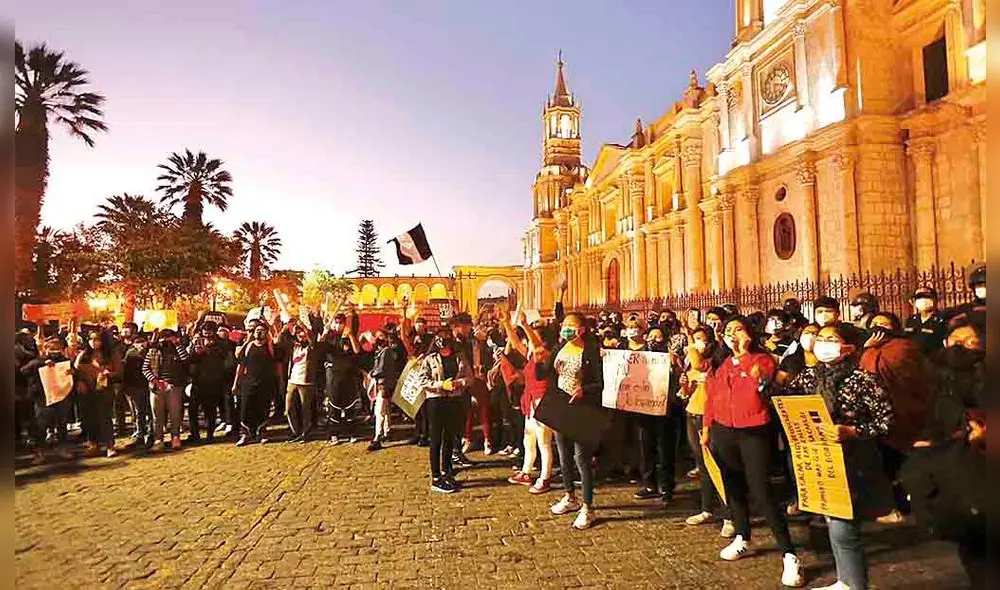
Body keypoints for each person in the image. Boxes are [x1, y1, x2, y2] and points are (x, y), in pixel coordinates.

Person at [790, 323, 895, 590]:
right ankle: (844, 579)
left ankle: (854, 583)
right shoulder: (809, 376)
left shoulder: (863, 380)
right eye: (820, 338)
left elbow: (886, 421)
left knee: (843, 525)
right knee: (831, 519)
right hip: (820, 457)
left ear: (848, 347)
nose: (822, 343)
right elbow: (788, 400)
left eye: (831, 339)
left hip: (854, 458)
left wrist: (853, 431)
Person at [701, 316, 803, 587]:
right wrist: (707, 428)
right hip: (724, 431)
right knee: (732, 486)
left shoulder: (762, 359)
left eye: (739, 329)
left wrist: (744, 353)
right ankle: (742, 536)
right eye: (729, 330)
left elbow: (762, 382)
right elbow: (712, 397)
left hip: (753, 431)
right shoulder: (720, 364)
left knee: (761, 490)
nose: (733, 334)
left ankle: (789, 553)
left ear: (749, 334)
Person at [901, 317, 988, 588]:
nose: (960, 348)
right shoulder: (932, 376)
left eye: (969, 342)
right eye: (955, 342)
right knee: (974, 548)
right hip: (957, 474)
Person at [859, 311, 934, 520]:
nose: (878, 328)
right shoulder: (868, 349)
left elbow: (902, 373)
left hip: (904, 410)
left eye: (884, 324)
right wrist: (868, 350)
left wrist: (870, 352)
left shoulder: (904, 347)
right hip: (879, 414)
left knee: (903, 461)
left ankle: (908, 504)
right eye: (874, 324)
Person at [539, 312, 604, 530]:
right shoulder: (559, 348)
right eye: (564, 325)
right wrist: (539, 359)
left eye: (572, 325)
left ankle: (588, 507)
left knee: (580, 457)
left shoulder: (591, 351)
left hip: (582, 408)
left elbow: (601, 382)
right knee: (563, 455)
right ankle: (570, 497)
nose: (567, 329)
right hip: (561, 404)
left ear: (582, 329)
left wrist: (584, 390)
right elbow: (544, 374)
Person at [680, 325, 734, 537]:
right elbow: (686, 393)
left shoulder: (714, 362)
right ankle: (706, 508)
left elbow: (699, 365)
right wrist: (686, 384)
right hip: (692, 413)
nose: (697, 343)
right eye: (695, 339)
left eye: (701, 339)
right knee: (702, 465)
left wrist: (689, 344)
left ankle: (729, 515)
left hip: (709, 416)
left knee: (717, 466)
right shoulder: (691, 364)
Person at [416, 327, 473, 493]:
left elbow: (470, 377)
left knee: (450, 436)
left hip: (454, 399)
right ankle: (435, 476)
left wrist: (459, 383)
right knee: (436, 438)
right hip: (436, 400)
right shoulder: (430, 359)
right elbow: (422, 381)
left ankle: (447, 471)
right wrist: (441, 385)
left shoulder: (459, 357)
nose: (444, 342)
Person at [503, 308, 554, 494]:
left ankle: (545, 477)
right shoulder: (531, 356)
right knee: (528, 439)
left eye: (535, 336)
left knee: (544, 442)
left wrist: (525, 325)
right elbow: (516, 344)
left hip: (543, 401)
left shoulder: (547, 356)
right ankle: (526, 472)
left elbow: (536, 345)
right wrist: (507, 323)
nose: (530, 340)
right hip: (530, 401)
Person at [20, 336, 75, 462]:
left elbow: (74, 375)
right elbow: (23, 371)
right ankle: (40, 452)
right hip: (42, 399)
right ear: (45, 349)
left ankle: (62, 448)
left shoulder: (65, 361)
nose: (54, 351)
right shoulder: (38, 361)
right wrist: (41, 364)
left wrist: (72, 372)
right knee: (41, 426)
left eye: (57, 348)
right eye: (51, 348)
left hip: (62, 397)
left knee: (62, 424)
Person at [75, 329, 122, 457]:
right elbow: (76, 371)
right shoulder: (83, 355)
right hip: (87, 391)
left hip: (104, 390)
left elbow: (119, 371)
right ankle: (93, 444)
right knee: (89, 418)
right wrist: (80, 381)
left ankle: (109, 445)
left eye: (97, 340)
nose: (94, 342)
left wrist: (109, 374)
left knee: (105, 418)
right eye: (91, 339)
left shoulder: (111, 354)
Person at [232, 322, 280, 446]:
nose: (259, 332)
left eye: (262, 330)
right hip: (248, 383)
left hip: (265, 383)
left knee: (263, 408)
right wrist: (235, 383)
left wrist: (279, 382)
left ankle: (261, 433)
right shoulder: (248, 346)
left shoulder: (271, 347)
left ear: (266, 333)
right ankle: (245, 434)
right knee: (245, 408)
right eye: (257, 330)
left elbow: (278, 366)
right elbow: (240, 365)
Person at [142, 328, 189, 451]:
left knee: (175, 415)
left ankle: (175, 437)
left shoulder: (178, 350)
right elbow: (145, 369)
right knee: (157, 416)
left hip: (174, 386)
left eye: (169, 337)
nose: (165, 341)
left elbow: (185, 360)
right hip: (157, 387)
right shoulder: (153, 351)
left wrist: (177, 344)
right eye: (163, 337)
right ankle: (159, 440)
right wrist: (155, 381)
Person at [187, 321, 233, 443]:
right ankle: (194, 435)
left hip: (214, 381)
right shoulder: (197, 342)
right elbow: (190, 359)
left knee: (210, 411)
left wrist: (207, 350)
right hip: (197, 381)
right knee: (193, 410)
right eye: (204, 330)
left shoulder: (221, 344)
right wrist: (196, 353)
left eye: (209, 330)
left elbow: (224, 359)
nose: (207, 333)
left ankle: (210, 435)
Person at [320, 312, 362, 445]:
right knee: (334, 405)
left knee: (349, 405)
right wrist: (325, 333)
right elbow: (320, 347)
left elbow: (357, 351)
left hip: (348, 375)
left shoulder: (348, 336)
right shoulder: (330, 336)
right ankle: (334, 435)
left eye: (341, 322)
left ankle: (352, 433)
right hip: (333, 375)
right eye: (336, 322)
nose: (338, 325)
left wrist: (350, 335)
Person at [285, 319, 319, 443]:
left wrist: (302, 326)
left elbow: (311, 338)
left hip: (306, 382)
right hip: (292, 381)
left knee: (306, 409)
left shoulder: (311, 347)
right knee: (289, 408)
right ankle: (296, 432)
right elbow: (279, 340)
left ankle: (306, 433)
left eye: (302, 333)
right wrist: (287, 326)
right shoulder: (294, 346)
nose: (301, 335)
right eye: (298, 333)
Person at [367, 327, 399, 451]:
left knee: (379, 410)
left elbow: (381, 369)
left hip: (384, 384)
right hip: (384, 383)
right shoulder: (383, 351)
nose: (377, 338)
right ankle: (387, 431)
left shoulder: (386, 351)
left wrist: (371, 373)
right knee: (385, 409)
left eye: (380, 336)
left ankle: (377, 437)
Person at [122, 332, 153, 447]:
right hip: (135, 387)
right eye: (137, 342)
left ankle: (151, 434)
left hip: (149, 385)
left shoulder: (151, 352)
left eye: (142, 341)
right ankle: (140, 433)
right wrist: (126, 386)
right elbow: (126, 371)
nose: (140, 344)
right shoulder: (130, 353)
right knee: (139, 412)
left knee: (150, 412)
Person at [902, 287, 947, 355]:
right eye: (919, 297)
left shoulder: (942, 320)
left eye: (927, 297)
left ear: (935, 300)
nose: (923, 300)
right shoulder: (911, 320)